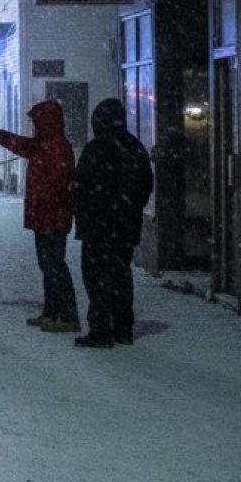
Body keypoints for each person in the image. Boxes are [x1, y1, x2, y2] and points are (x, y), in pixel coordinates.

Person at [0, 101, 81, 333]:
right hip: (44, 217)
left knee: (55, 267)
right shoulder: (44, 145)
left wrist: (48, 210)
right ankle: (51, 312)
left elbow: (58, 186)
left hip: (52, 219)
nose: (34, 127)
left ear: (46, 123)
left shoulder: (56, 148)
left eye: (36, 123)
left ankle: (67, 316)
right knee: (48, 267)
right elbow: (20, 144)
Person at [71, 98, 155, 348]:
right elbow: (145, 187)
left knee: (97, 277)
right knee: (120, 275)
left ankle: (100, 329)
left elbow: (81, 186)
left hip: (98, 227)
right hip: (125, 226)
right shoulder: (135, 147)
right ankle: (123, 327)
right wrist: (128, 210)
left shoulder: (96, 148)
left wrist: (86, 212)